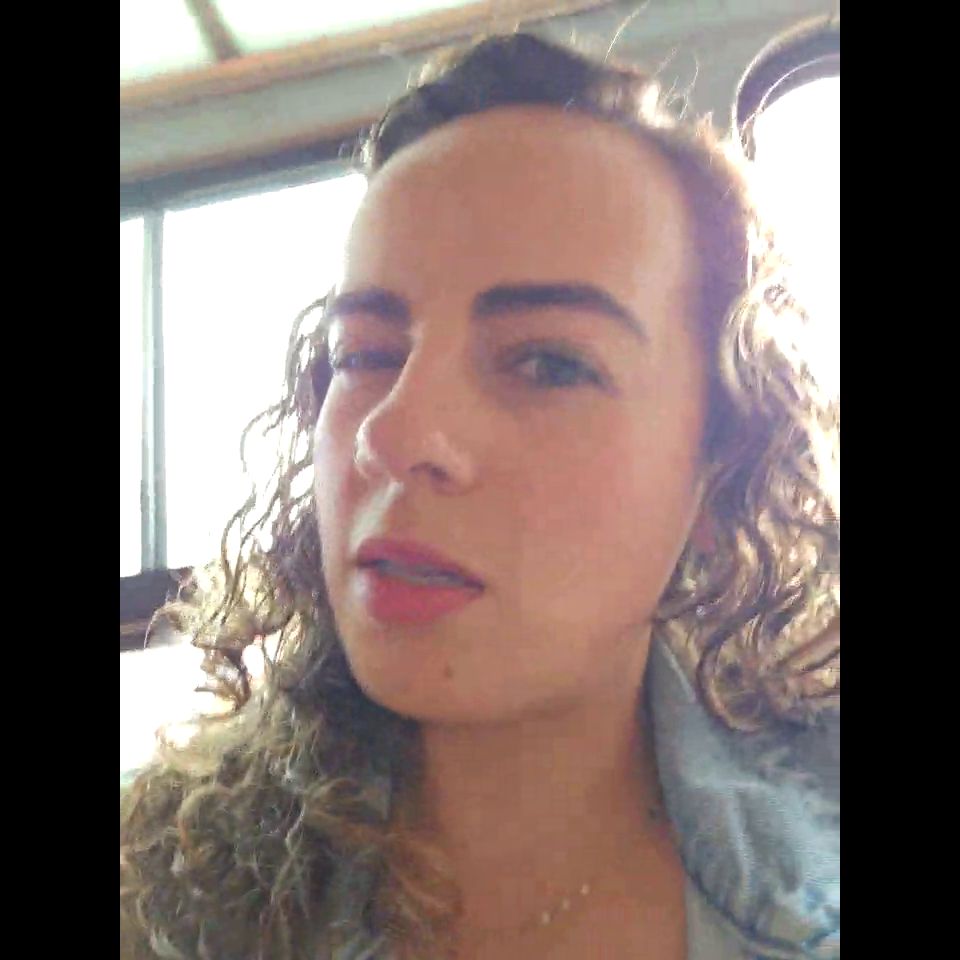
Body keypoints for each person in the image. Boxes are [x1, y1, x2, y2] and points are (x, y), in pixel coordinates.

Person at [120, 32, 839, 960]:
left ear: (719, 467)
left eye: (549, 364)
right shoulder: (160, 893)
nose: (394, 434)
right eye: (366, 355)